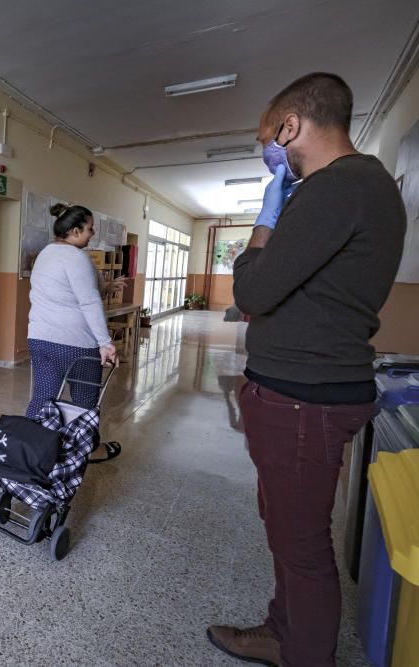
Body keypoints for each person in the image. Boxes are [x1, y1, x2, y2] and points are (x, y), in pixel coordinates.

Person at [207, 73, 406, 667]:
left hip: (304, 396)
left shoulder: (337, 187)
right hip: (303, 389)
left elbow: (254, 290)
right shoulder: (362, 187)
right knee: (287, 527)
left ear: (290, 125)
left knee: (301, 546)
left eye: (270, 140)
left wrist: (264, 224)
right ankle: (282, 632)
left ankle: (304, 653)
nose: (272, 155)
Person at [26, 204, 120, 460]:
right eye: (90, 228)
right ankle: (90, 451)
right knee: (85, 399)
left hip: (40, 339)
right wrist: (105, 342)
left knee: (43, 397)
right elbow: (88, 301)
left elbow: (67, 292)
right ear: (76, 230)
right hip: (75, 344)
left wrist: (106, 287)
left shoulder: (45, 254)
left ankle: (29, 449)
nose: (92, 233)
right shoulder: (76, 258)